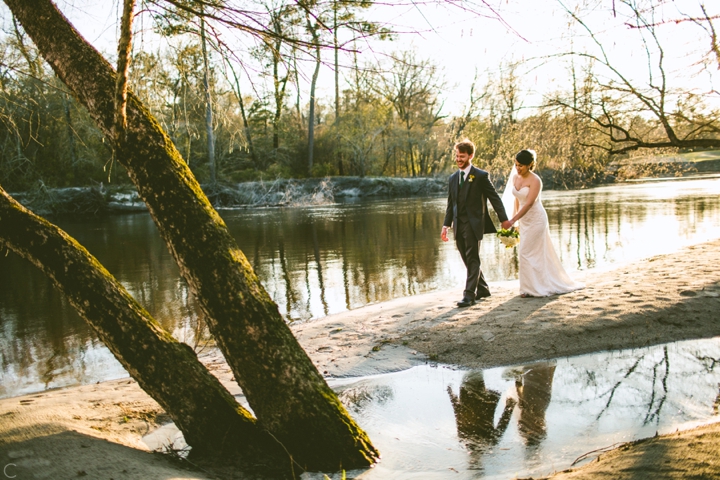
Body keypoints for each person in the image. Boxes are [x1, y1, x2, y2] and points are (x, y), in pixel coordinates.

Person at [502, 149, 584, 297]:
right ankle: (527, 288)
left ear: (530, 164)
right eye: (516, 164)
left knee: (527, 252)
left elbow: (528, 203)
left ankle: (536, 288)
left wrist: (513, 219)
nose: (517, 168)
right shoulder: (515, 178)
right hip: (523, 220)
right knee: (527, 253)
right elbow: (517, 200)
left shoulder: (535, 180)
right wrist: (514, 221)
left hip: (536, 219)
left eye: (521, 165)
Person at [442, 139, 512, 307]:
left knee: (473, 257)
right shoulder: (453, 178)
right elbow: (451, 204)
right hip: (459, 224)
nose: (459, 159)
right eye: (457, 156)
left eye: (462, 156)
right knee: (466, 257)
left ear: (471, 156)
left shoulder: (480, 176)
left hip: (474, 224)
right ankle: (482, 288)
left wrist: (504, 219)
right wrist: (446, 225)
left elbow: (494, 198)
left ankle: (469, 295)